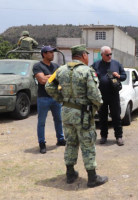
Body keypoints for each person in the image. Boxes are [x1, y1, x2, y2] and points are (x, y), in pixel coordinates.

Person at [45, 44, 108, 188]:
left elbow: (49, 86)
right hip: (83, 115)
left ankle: (70, 174)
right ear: (84, 55)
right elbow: (95, 95)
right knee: (87, 144)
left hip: (67, 113)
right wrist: (97, 106)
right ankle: (92, 178)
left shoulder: (60, 70)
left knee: (71, 143)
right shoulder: (87, 71)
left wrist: (62, 99)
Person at [32, 46, 65, 154]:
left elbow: (61, 79)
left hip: (55, 98)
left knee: (59, 120)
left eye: (53, 52)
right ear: (44, 54)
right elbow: (42, 80)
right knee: (41, 122)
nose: (53, 54)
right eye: (50, 52)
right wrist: (53, 76)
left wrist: (48, 76)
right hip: (43, 98)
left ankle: (60, 139)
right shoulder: (38, 66)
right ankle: (42, 143)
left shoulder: (56, 65)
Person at [91, 46, 127, 146]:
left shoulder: (116, 64)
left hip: (114, 95)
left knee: (116, 116)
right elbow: (90, 75)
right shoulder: (96, 65)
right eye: (107, 55)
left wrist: (119, 76)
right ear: (102, 55)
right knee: (102, 116)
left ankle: (119, 137)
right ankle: (103, 136)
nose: (110, 56)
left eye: (111, 54)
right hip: (101, 94)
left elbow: (124, 76)